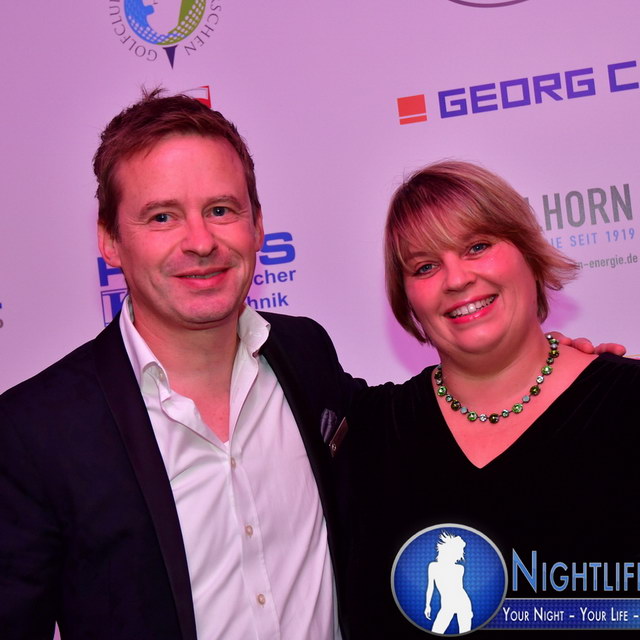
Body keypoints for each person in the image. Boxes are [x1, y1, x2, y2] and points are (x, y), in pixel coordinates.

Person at [0, 90, 362, 639]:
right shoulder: (35, 431)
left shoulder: (306, 354)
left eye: (221, 210)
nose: (200, 242)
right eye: (162, 216)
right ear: (110, 239)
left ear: (257, 225)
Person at [335, 161, 640, 637]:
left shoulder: (628, 403)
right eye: (425, 266)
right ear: (407, 298)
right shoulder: (371, 432)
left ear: (528, 253)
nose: (456, 279)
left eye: (477, 246)